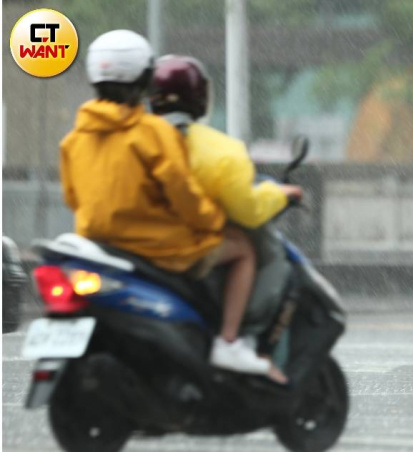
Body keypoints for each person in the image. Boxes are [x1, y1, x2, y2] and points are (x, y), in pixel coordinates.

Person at [59, 30, 279, 381]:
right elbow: (183, 195)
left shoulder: (73, 140)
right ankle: (228, 342)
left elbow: (73, 197)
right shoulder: (152, 134)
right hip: (157, 247)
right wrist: (211, 221)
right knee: (242, 249)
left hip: (98, 244)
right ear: (145, 80)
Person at [149, 54, 304, 383]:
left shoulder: (130, 139)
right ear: (201, 98)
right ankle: (230, 339)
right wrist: (281, 194)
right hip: (182, 246)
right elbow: (246, 209)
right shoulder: (220, 151)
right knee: (246, 249)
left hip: (129, 241)